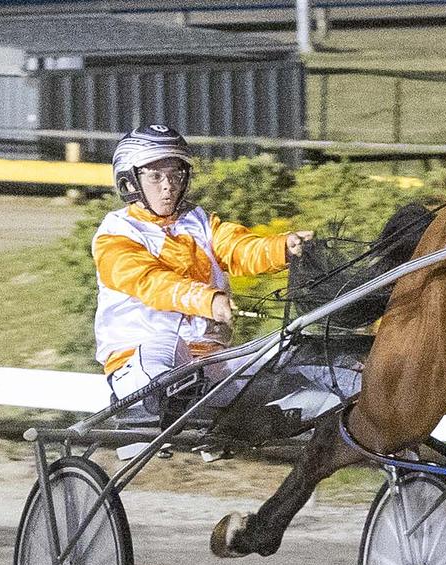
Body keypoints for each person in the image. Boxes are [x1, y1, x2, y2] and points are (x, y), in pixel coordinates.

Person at [92, 124, 310, 406]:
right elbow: (152, 283)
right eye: (156, 176)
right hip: (139, 361)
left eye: (176, 175)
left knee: (291, 357)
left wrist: (281, 247)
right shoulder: (115, 234)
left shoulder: (201, 222)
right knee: (168, 346)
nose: (168, 185)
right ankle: (167, 402)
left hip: (209, 362)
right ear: (130, 182)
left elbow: (239, 247)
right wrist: (208, 300)